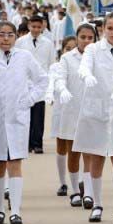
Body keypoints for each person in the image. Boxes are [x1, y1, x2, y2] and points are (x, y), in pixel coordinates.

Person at [0, 21, 48, 224]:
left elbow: (42, 79)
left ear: (16, 37)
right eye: (1, 34)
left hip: (17, 118)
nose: (6, 39)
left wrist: (29, 100)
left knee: (15, 162)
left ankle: (15, 212)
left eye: (10, 35)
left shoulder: (24, 57)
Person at [73, 12, 113, 224]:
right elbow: (84, 66)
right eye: (110, 29)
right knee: (96, 157)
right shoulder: (93, 49)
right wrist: (87, 75)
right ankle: (97, 205)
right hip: (96, 108)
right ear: (103, 30)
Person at [55, 24, 98, 208]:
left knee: (89, 153)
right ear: (77, 38)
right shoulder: (67, 58)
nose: (87, 41)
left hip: (92, 111)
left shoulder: (99, 57)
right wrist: (62, 89)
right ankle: (74, 191)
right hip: (71, 110)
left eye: (90, 38)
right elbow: (59, 78)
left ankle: (88, 193)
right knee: (73, 154)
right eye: (83, 37)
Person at [15, 14, 55, 154]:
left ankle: (37, 144)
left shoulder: (48, 43)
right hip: (24, 83)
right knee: (25, 115)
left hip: (41, 84)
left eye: (39, 27)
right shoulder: (20, 42)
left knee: (38, 116)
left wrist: (50, 86)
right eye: (33, 27)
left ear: (43, 27)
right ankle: (26, 144)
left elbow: (51, 64)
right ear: (29, 26)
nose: (36, 29)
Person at [45, 36, 77, 196]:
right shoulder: (56, 67)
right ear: (62, 50)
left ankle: (77, 182)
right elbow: (51, 82)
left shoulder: (82, 65)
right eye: (68, 48)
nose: (71, 51)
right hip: (61, 111)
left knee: (77, 149)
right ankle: (63, 182)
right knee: (62, 146)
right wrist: (49, 94)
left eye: (74, 48)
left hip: (78, 112)